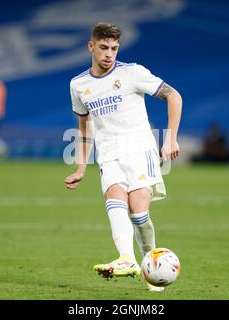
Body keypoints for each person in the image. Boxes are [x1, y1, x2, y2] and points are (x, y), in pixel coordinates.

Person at [64, 23, 182, 291]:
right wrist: (81, 168)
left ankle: (151, 268)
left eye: (114, 48)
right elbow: (84, 128)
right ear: (91, 46)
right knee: (115, 201)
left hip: (140, 149)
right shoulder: (79, 85)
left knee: (139, 214)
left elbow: (173, 95)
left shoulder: (132, 73)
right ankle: (127, 259)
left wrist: (171, 138)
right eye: (104, 47)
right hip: (108, 154)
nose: (109, 54)